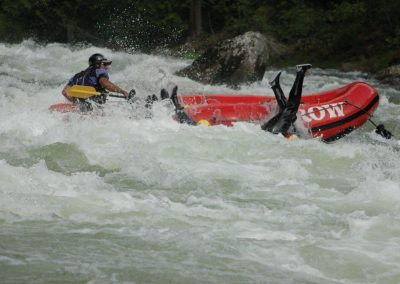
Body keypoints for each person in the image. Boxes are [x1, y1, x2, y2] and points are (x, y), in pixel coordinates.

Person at [62, 53, 129, 103]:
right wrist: (122, 92)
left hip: (82, 107)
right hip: (96, 107)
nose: (106, 67)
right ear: (97, 64)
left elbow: (65, 92)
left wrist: (76, 103)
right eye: (104, 64)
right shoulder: (99, 71)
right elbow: (105, 84)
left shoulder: (76, 76)